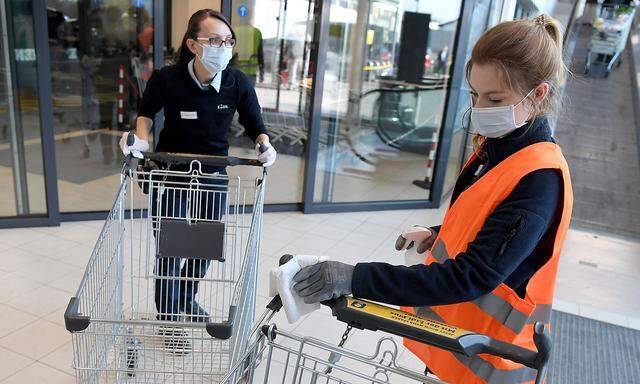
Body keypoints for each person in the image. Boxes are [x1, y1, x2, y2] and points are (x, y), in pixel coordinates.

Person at [292, 14, 572, 384]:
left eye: (495, 98)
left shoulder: (539, 178)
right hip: (457, 346)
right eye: (474, 94)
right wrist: (437, 233)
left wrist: (354, 277)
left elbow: (474, 275)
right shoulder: (501, 148)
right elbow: (489, 222)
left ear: (538, 94)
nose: (480, 108)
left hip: (492, 363)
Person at [119, 9, 276, 343]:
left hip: (213, 172)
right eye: (214, 40)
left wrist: (264, 144)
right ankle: (169, 319)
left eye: (228, 41)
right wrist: (141, 139)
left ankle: (185, 297)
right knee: (170, 249)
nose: (223, 46)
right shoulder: (167, 79)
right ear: (193, 44)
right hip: (172, 170)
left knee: (204, 246)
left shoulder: (236, 82)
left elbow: (255, 124)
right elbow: (146, 114)